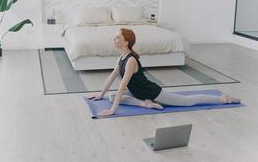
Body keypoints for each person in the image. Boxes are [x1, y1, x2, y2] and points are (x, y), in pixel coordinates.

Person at [85, 28, 240, 117]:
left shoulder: (131, 60)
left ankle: (223, 98)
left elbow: (122, 86)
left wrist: (113, 110)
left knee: (187, 101)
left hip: (152, 92)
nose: (114, 39)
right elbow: (112, 77)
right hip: (138, 94)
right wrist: (100, 95)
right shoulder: (122, 57)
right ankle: (145, 104)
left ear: (126, 42)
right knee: (111, 96)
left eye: (117, 37)